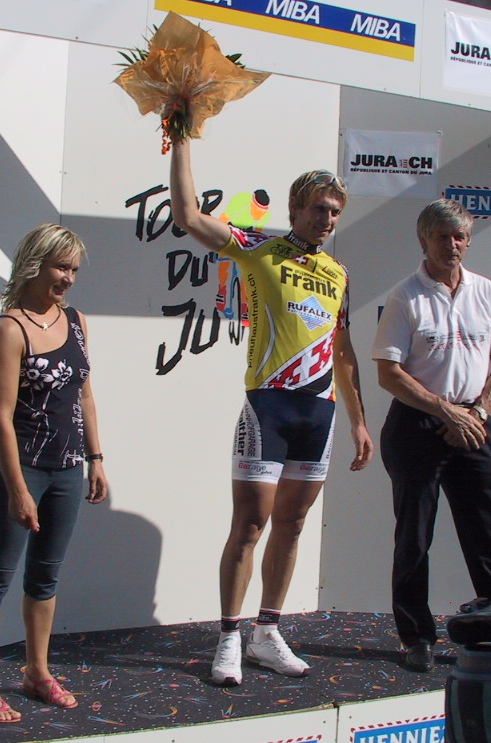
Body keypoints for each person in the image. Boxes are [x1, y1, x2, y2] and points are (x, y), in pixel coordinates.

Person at [169, 138, 374, 687]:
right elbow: (187, 215)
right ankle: (228, 637)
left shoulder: (338, 272)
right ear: (295, 208)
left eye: (335, 212)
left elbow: (343, 350)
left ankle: (267, 632)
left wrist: (359, 420)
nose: (326, 219)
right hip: (269, 406)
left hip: (321, 412)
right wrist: (181, 138)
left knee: (294, 523)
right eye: (319, 209)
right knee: (250, 523)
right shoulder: (260, 248)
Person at [0, 223, 108, 723]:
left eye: (74, 269)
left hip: (68, 469)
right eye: (60, 267)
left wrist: (95, 458)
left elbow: (84, 394)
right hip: (22, 469)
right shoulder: (9, 329)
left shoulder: (77, 321)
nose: (68, 278)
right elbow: (1, 417)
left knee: (45, 577)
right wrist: (18, 489)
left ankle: (37, 671)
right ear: (34, 265)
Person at [372, 198, 491, 672]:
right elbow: (389, 374)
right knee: (414, 538)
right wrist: (444, 411)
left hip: (473, 423)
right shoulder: (405, 297)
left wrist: (476, 413)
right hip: (417, 426)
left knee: (487, 534)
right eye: (441, 236)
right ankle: (416, 637)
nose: (451, 245)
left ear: (468, 241)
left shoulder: (486, 292)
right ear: (424, 240)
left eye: (460, 237)